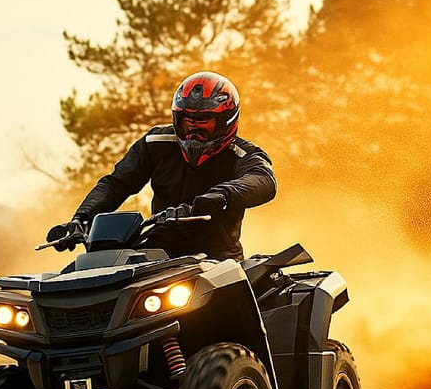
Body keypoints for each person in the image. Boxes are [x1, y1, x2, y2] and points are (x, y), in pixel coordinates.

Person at [46, 71, 276, 261]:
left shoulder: (242, 154)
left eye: (203, 120)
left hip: (218, 259)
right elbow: (116, 184)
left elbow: (264, 181)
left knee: (227, 311)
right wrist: (82, 218)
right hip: (155, 255)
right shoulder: (156, 143)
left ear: (226, 121)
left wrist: (221, 196)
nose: (193, 129)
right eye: (187, 121)